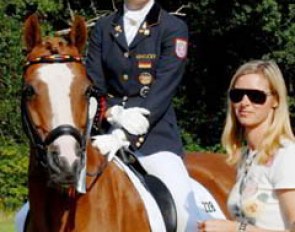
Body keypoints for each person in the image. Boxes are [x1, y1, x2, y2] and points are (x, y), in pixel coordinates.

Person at [86, 0, 225, 231]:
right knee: (30, 212)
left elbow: (164, 88)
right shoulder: (103, 27)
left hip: (154, 137)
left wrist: (124, 135)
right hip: (103, 133)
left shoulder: (172, 27)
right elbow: (93, 83)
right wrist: (112, 112)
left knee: (185, 215)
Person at [198, 60, 295, 232]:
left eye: (256, 96)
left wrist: (236, 229)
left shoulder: (286, 155)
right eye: (237, 95)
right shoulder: (247, 156)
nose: (245, 102)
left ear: (276, 101)